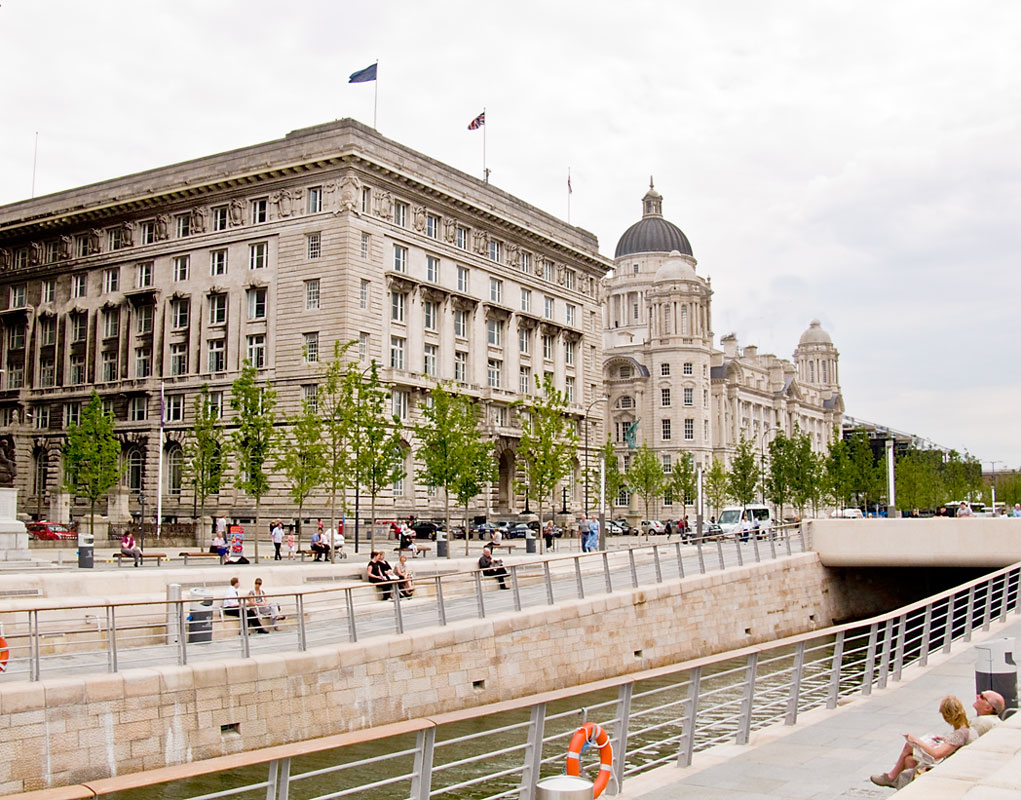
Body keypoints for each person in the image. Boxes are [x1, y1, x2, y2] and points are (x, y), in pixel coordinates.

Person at [870, 695, 976, 788]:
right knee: (909, 760)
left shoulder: (960, 733)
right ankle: (901, 784)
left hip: (945, 764)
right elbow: (952, 745)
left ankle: (891, 777)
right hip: (950, 760)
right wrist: (944, 740)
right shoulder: (965, 729)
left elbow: (937, 754)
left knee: (909, 745)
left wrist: (917, 741)